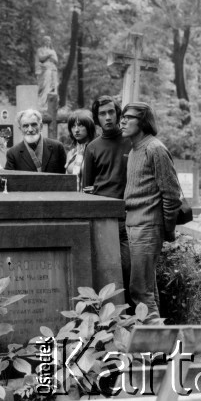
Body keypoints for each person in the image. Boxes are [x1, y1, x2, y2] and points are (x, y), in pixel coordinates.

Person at [121, 102, 181, 318]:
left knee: (140, 292)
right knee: (147, 290)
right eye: (123, 117)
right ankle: (159, 341)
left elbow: (172, 194)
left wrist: (165, 229)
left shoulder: (154, 148)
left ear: (144, 122)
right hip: (133, 225)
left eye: (130, 117)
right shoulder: (135, 149)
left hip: (147, 227)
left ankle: (155, 348)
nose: (123, 121)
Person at [83, 95, 132, 305]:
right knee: (105, 272)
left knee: (129, 269)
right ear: (97, 118)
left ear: (118, 114)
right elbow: (87, 188)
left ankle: (131, 316)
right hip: (103, 218)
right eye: (102, 114)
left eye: (111, 112)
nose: (108, 117)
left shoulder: (131, 141)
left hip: (129, 217)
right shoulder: (92, 147)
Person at [65, 109, 96, 190]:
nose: (76, 130)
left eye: (80, 125)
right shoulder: (71, 153)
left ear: (89, 126)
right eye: (73, 126)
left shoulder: (96, 150)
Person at [35, 36, 59, 110]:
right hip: (44, 70)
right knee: (44, 85)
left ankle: (51, 105)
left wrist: (50, 57)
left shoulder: (53, 51)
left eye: (49, 41)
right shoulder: (40, 50)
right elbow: (41, 58)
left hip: (53, 70)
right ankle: (42, 103)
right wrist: (49, 56)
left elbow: (56, 60)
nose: (47, 42)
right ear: (43, 42)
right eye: (46, 40)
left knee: (53, 87)